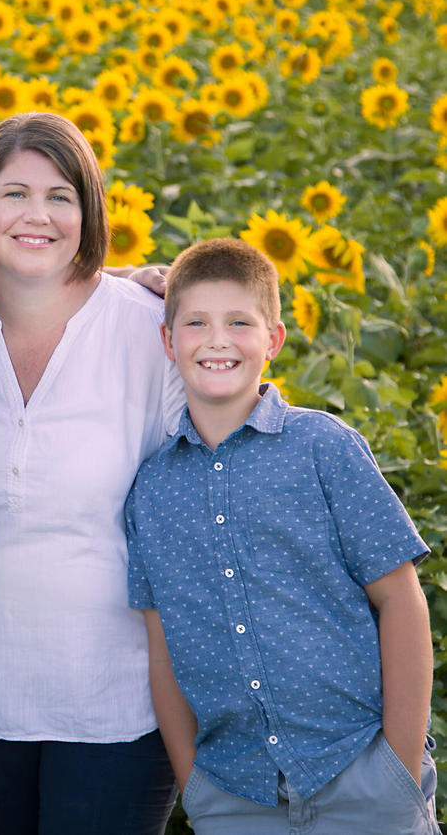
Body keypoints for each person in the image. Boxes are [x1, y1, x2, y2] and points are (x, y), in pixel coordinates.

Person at [125, 237, 439, 834]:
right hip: (237, 796)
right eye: (196, 322)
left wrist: (398, 765)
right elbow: (161, 649)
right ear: (169, 342)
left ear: (273, 339)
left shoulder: (325, 449)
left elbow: (401, 599)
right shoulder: (152, 490)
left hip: (362, 774)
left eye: (239, 322)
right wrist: (194, 783)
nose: (217, 340)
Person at [0, 112, 185, 835]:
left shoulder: (151, 329)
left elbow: (236, 463)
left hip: (120, 706)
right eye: (14, 193)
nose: (37, 215)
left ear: (90, 213)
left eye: (61, 196)